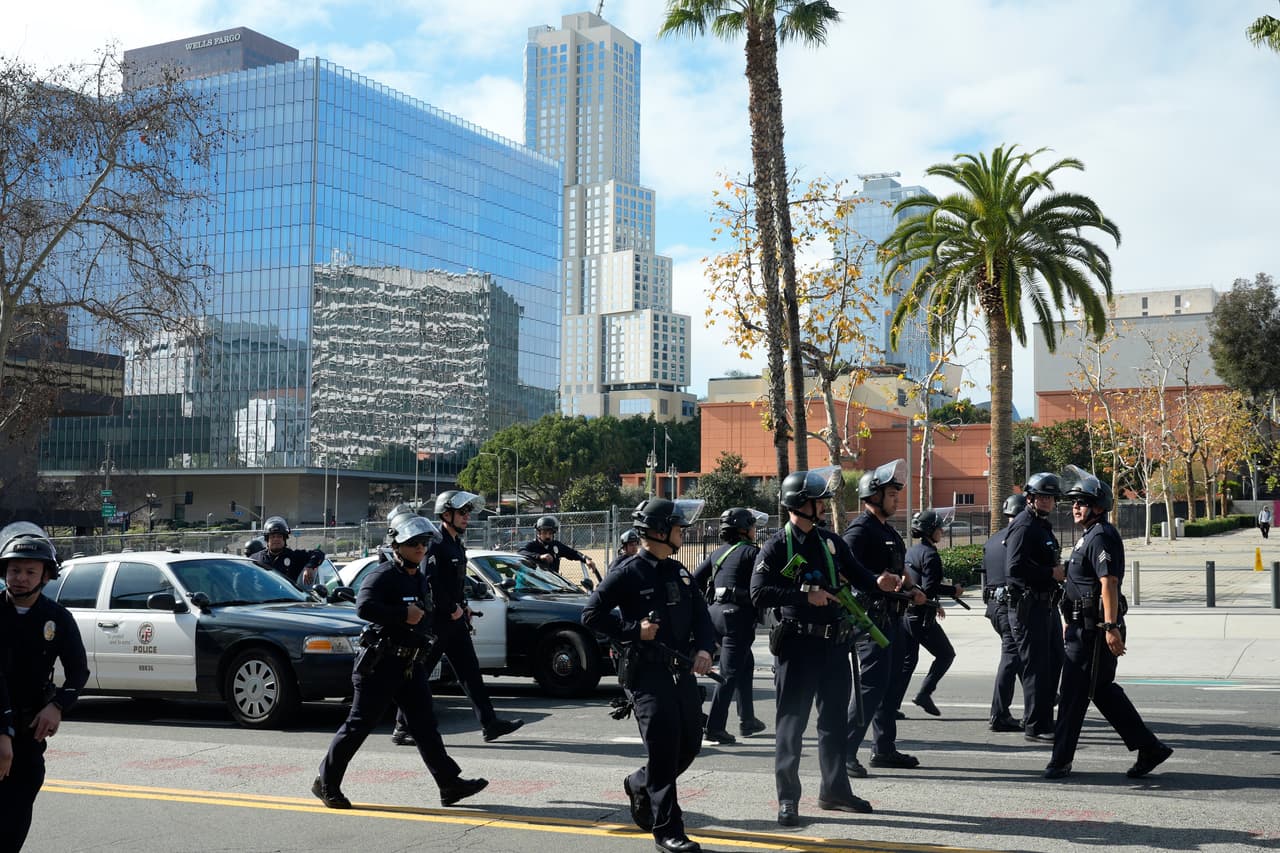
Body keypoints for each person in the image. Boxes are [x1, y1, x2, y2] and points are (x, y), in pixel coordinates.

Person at [752, 467, 903, 827]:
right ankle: (788, 798)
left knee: (833, 723)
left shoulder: (830, 541)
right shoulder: (775, 546)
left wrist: (882, 582)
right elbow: (758, 593)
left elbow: (862, 576)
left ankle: (834, 790)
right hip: (798, 646)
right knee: (792, 724)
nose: (824, 507)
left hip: (834, 646)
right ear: (800, 505)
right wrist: (806, 595)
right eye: (819, 502)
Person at [314, 506, 486, 809]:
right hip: (379, 665)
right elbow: (363, 608)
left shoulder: (417, 577)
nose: (420, 548)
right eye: (413, 544)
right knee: (358, 726)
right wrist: (401, 614)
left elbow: (425, 612)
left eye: (423, 543)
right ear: (397, 546)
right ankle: (326, 782)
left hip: (409, 664)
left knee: (425, 725)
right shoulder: (382, 576)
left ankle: (449, 784)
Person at [582, 498, 715, 853]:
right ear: (658, 532)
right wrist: (632, 630)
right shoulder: (627, 572)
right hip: (646, 674)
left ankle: (639, 783)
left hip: (681, 672)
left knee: (689, 745)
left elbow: (702, 617)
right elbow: (591, 615)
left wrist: (704, 649)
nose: (682, 533)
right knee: (663, 749)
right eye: (676, 527)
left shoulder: (679, 572)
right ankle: (668, 830)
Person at [1045, 467, 1174, 780]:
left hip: (1094, 630)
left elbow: (1109, 583)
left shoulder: (1101, 535)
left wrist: (1110, 627)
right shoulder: (1089, 536)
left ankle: (1060, 760)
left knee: (1074, 694)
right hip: (1082, 627)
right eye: (1074, 501)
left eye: (1082, 501)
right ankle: (1150, 747)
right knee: (1102, 691)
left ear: (1099, 506)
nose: (1075, 506)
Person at [392, 491, 523, 746]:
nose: (467, 517)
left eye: (468, 513)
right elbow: (430, 583)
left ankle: (490, 723)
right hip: (437, 623)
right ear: (446, 514)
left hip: (455, 621)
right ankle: (402, 726)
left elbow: (455, 584)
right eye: (462, 513)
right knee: (420, 674)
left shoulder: (455, 545)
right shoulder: (436, 545)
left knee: (471, 673)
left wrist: (464, 608)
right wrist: (451, 608)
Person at [0, 523, 90, 851]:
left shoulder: (57, 618)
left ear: (45, 576)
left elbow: (79, 671)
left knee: (15, 818)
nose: (20, 577)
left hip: (28, 734)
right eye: (13, 570)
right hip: (0, 727)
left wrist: (58, 705)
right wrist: (3, 732)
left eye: (29, 571)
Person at [842, 459, 927, 777]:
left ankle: (884, 748)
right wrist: (875, 579)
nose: (896, 498)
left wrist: (914, 587)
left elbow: (901, 569)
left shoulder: (887, 530)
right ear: (873, 495)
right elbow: (845, 569)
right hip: (870, 619)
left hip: (893, 616)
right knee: (870, 687)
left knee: (890, 687)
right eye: (892, 494)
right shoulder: (859, 530)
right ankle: (845, 752)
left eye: (896, 493)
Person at [692, 507, 768, 744]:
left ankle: (748, 720)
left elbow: (695, 579)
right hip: (737, 618)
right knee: (729, 673)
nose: (755, 530)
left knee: (746, 664)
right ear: (745, 529)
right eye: (753, 526)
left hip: (715, 614)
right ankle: (715, 727)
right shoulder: (752, 553)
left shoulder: (718, 553)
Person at [1005, 472, 1067, 742]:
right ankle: (1035, 725)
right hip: (1029, 606)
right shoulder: (1024, 525)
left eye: (1050, 497)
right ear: (1030, 498)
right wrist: (1049, 573)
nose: (1046, 501)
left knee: (1055, 661)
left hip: (1047, 605)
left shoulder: (1042, 526)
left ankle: (1045, 719)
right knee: (1036, 667)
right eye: (1042, 496)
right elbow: (1014, 569)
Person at [902, 509, 963, 718]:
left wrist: (935, 604)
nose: (942, 531)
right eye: (939, 528)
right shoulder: (930, 555)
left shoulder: (911, 552)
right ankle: (924, 694)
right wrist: (953, 590)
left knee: (908, 661)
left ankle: (889, 705)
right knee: (946, 654)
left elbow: (917, 584)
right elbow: (929, 587)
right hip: (920, 616)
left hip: (906, 615)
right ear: (930, 531)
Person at [983, 493, 1027, 732]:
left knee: (1018, 655)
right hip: (1010, 606)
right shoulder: (1018, 538)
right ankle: (999, 714)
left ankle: (1043, 698)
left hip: (994, 608)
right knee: (1012, 657)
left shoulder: (992, 541)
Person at [251, 516, 324, 588]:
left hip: (287, 598)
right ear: (267, 540)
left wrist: (310, 566)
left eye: (279, 536)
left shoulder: (294, 556)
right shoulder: (255, 558)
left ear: (285, 539)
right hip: (261, 598)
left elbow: (318, 554)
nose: (276, 539)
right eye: (272, 536)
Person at [519, 516, 599, 577]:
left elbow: (573, 553)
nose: (548, 536)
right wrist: (539, 556)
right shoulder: (532, 545)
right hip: (536, 584)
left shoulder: (556, 545)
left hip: (553, 583)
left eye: (550, 533)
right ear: (538, 533)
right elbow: (520, 552)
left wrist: (586, 559)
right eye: (544, 533)